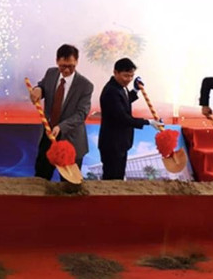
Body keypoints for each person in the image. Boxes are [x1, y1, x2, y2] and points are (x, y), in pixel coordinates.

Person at [28, 44, 93, 180]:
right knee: (41, 179)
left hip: (71, 141)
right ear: (57, 61)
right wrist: (38, 89)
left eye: (71, 66)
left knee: (69, 184)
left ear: (77, 62)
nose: (67, 70)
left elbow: (81, 114)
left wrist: (61, 127)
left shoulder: (85, 85)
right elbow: (43, 86)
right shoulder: (51, 73)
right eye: (63, 66)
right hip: (48, 135)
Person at [98, 58, 161, 180]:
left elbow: (124, 101)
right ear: (115, 72)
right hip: (112, 143)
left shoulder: (120, 86)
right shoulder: (111, 91)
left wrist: (135, 90)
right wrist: (148, 122)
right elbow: (123, 118)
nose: (128, 79)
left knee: (119, 177)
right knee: (112, 179)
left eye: (131, 76)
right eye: (125, 76)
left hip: (120, 142)